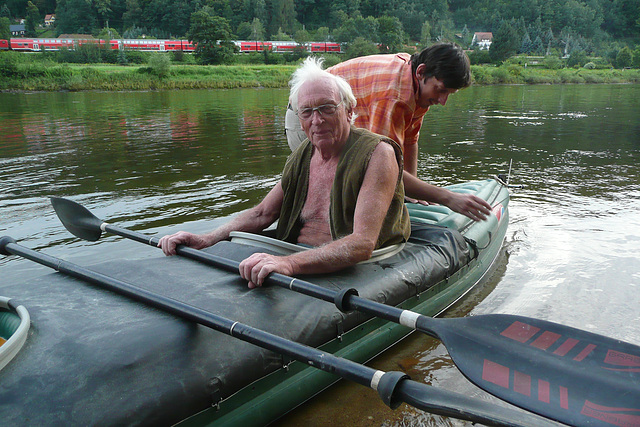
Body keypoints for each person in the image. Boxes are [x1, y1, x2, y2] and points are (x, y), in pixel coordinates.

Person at [159, 57, 410, 289]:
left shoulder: (378, 153)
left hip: (354, 267)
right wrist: (207, 239)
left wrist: (288, 263)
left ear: (349, 111)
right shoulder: (303, 155)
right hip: (293, 251)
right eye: (307, 112)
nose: (317, 120)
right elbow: (263, 213)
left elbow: (362, 244)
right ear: (298, 118)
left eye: (327, 108)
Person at [285, 42, 492, 222]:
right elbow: (381, 165)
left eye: (450, 94)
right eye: (441, 90)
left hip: (341, 115)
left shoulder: (416, 85)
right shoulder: (394, 97)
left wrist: (410, 191)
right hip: (309, 114)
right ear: (421, 72)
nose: (443, 101)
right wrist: (447, 197)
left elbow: (410, 141)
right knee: (349, 177)